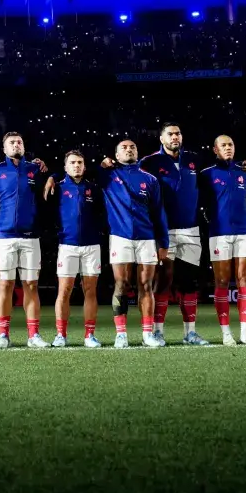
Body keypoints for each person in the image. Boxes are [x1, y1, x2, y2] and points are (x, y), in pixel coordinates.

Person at [140, 123, 208, 345]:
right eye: (170, 134)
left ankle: (190, 333)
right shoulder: (149, 163)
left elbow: (217, 170)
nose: (175, 137)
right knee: (164, 280)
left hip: (191, 229)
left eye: (178, 133)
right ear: (161, 139)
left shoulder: (194, 159)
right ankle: (157, 331)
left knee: (188, 282)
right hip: (164, 230)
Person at [96, 140, 168, 347]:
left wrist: (163, 243)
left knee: (146, 286)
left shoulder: (150, 180)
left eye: (133, 147)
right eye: (124, 148)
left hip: (147, 238)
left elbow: (159, 213)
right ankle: (121, 334)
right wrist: (101, 165)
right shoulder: (107, 176)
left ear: (138, 153)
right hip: (120, 237)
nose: (129, 149)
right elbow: (80, 174)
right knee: (122, 284)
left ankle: (147, 334)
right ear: (116, 155)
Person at [0, 132, 50, 348]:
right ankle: (3, 335)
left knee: (31, 285)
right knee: (5, 285)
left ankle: (33, 335)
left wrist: (49, 171)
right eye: (11, 143)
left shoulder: (36, 169)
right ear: (4, 149)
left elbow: (56, 184)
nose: (16, 145)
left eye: (19, 142)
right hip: (4, 236)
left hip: (31, 236)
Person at [199, 135, 246, 346]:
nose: (228, 148)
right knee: (222, 281)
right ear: (215, 149)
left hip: (244, 232)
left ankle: (245, 333)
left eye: (231, 144)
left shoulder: (245, 173)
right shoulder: (205, 174)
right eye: (223, 145)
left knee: (244, 279)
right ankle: (226, 333)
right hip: (219, 233)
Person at [50, 151, 103, 348]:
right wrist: (52, 176)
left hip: (92, 245)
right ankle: (60, 335)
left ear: (85, 166)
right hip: (67, 245)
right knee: (64, 291)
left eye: (80, 162)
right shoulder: (58, 187)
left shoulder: (94, 189)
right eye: (72, 163)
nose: (77, 166)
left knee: (90, 290)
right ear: (65, 167)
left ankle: (89, 335)